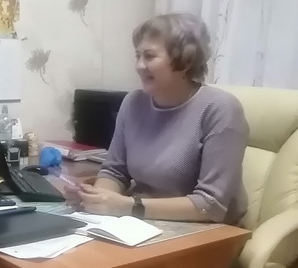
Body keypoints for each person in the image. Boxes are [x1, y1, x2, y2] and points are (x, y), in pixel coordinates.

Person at [74, 13, 249, 225]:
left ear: (185, 61)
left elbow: (210, 205)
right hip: (142, 223)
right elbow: (114, 171)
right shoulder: (133, 102)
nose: (139, 65)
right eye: (137, 56)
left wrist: (127, 206)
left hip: (210, 232)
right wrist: (97, 200)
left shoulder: (220, 109)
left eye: (149, 56)